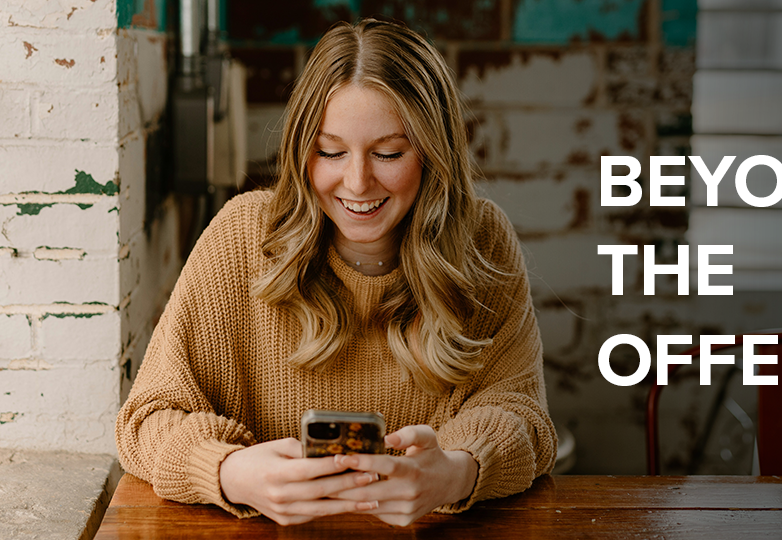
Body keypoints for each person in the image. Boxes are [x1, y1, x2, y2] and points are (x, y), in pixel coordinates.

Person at [115, 19, 557, 527]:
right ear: (303, 150)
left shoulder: (483, 240)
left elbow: (524, 417)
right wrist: (231, 472)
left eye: (389, 153)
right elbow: (147, 420)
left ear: (434, 155)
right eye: (330, 152)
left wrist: (456, 473)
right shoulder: (241, 236)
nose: (357, 182)